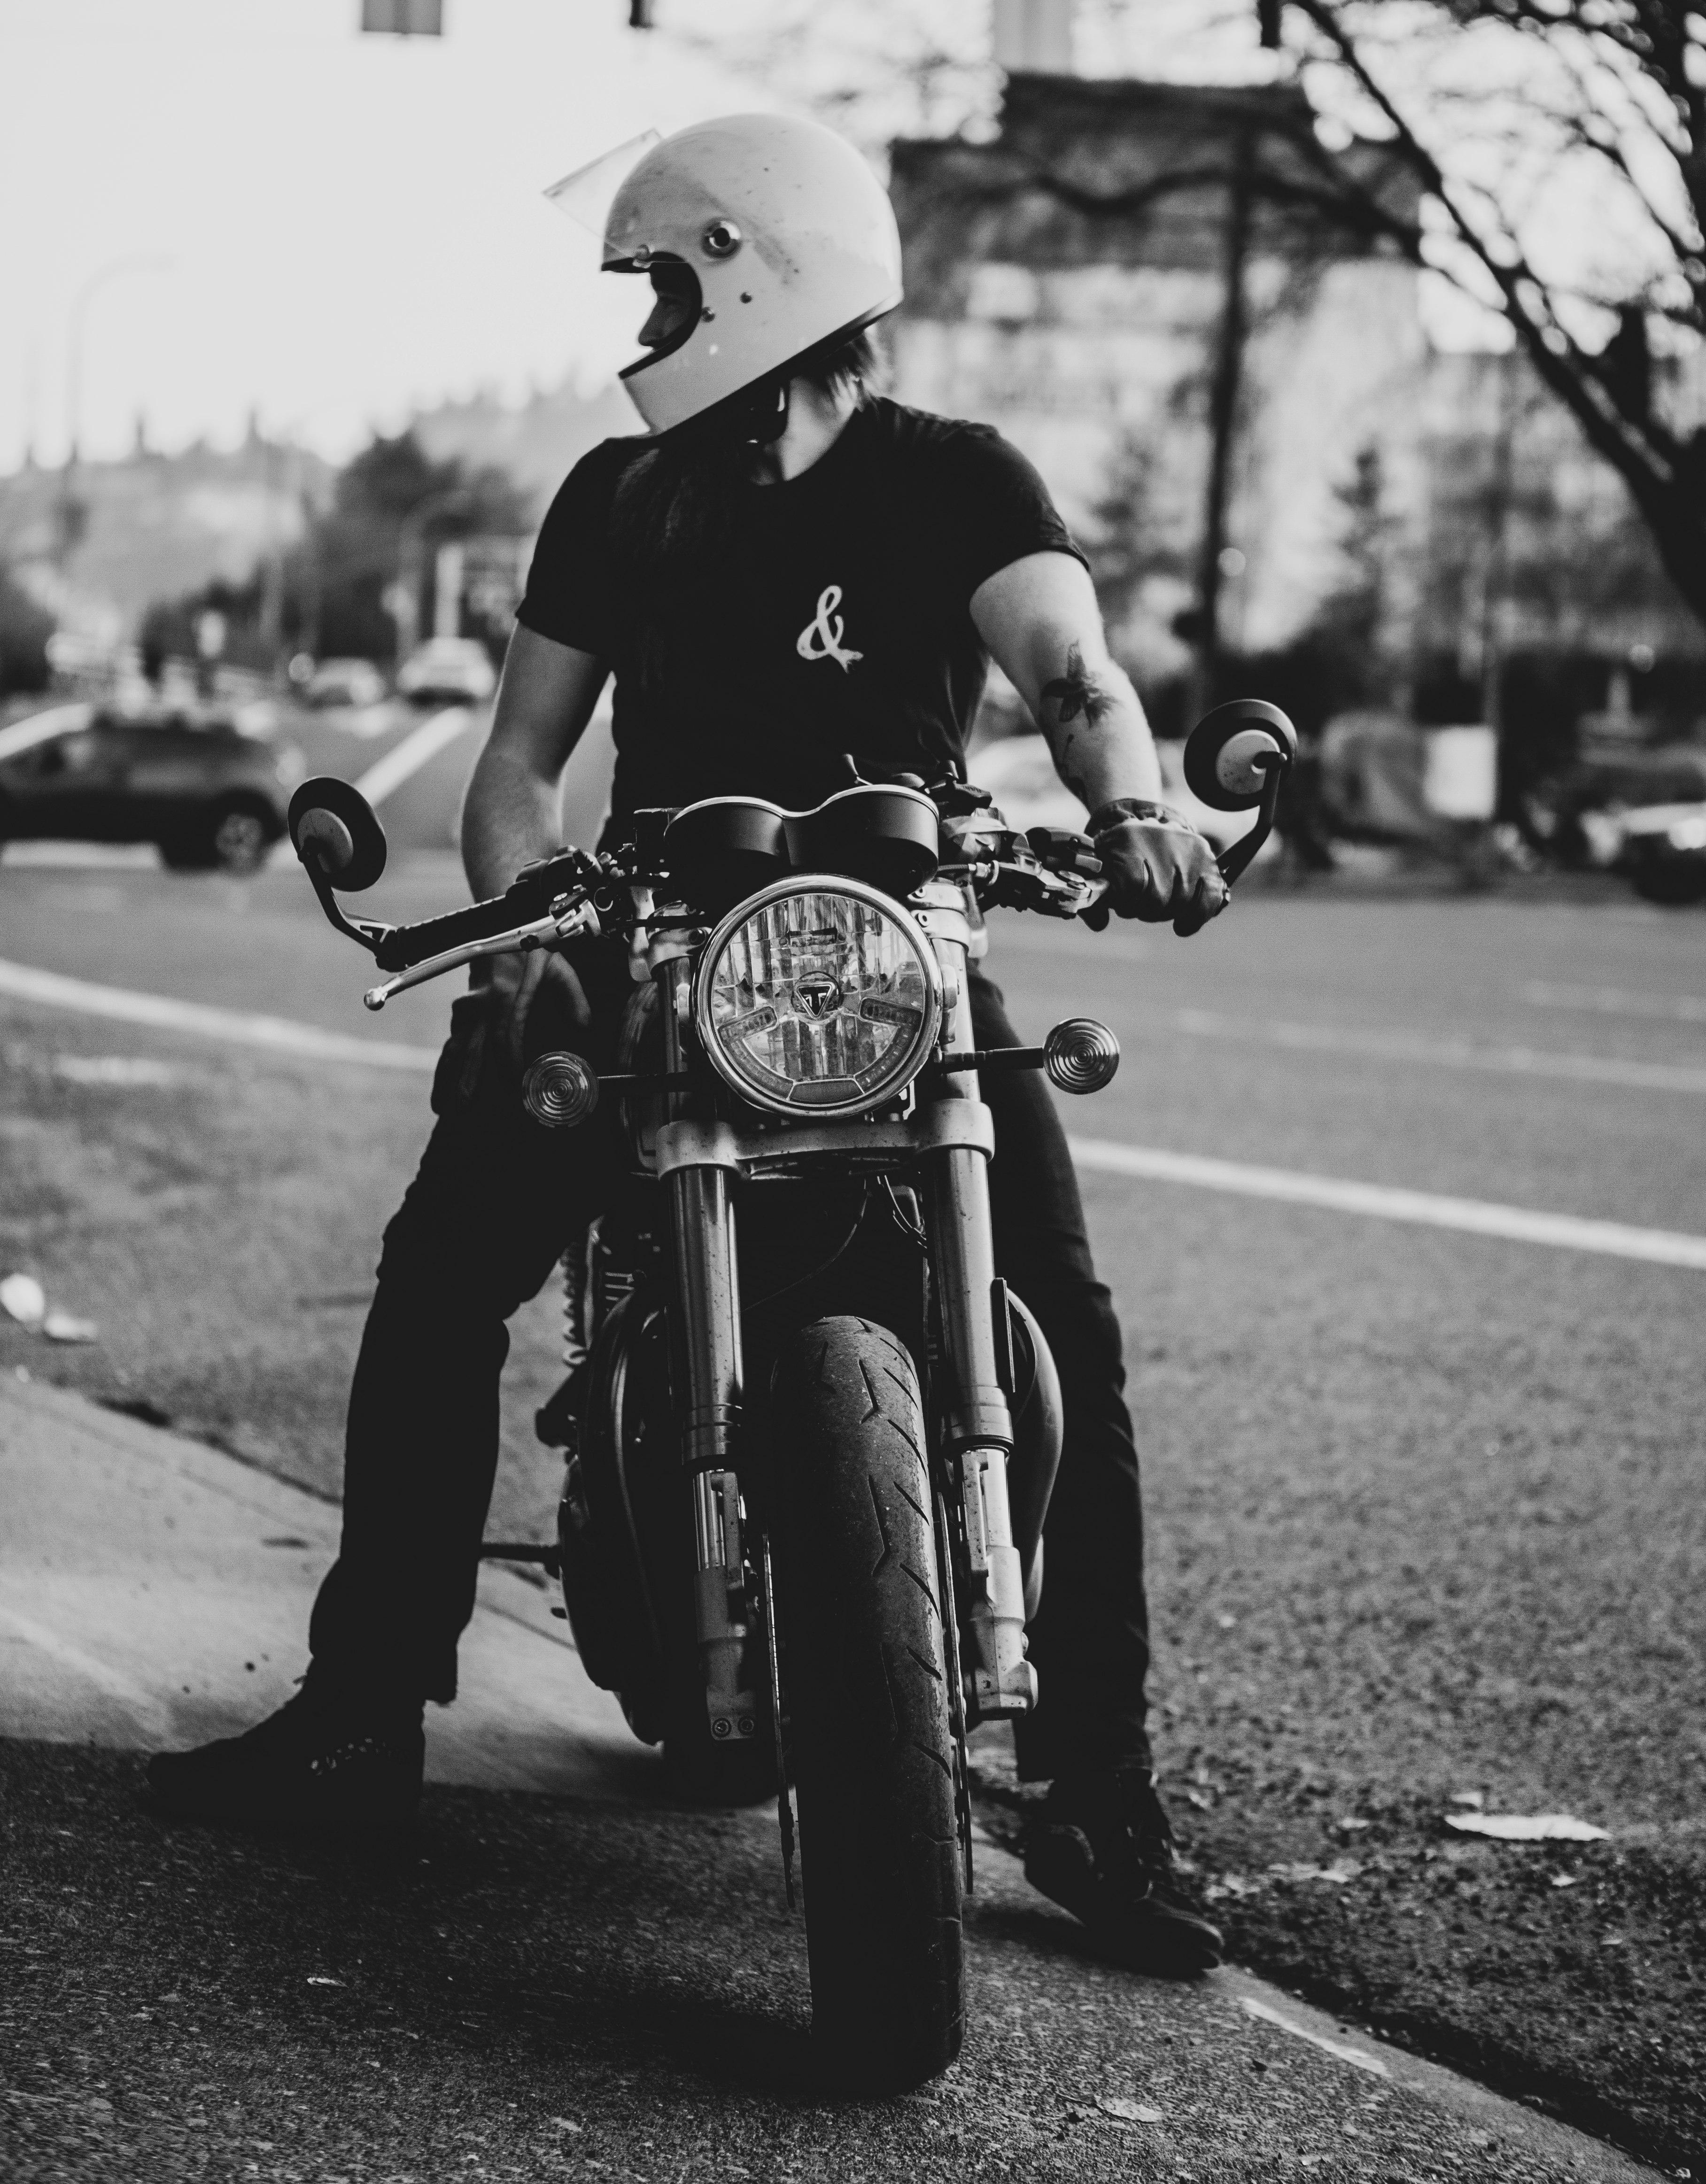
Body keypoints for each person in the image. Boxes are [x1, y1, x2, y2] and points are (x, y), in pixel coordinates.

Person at [148, 114, 1227, 1977]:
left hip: (893, 946)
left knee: (1062, 1311)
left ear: (757, 268)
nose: (643, 319)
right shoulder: (620, 497)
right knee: (439, 1268)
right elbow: (514, 763)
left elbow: (1076, 669)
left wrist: (1135, 800)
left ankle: (1098, 1795)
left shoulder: (956, 478)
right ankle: (360, 1702)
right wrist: (520, 943)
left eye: (661, 280)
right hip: (657, 947)